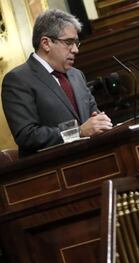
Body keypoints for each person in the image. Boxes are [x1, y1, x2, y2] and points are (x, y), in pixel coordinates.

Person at [2, 9, 112, 157]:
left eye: (76, 43)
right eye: (69, 42)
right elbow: (27, 135)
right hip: (51, 170)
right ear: (46, 43)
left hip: (92, 158)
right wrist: (78, 132)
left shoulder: (76, 75)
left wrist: (101, 122)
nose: (76, 50)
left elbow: (93, 115)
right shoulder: (17, 79)